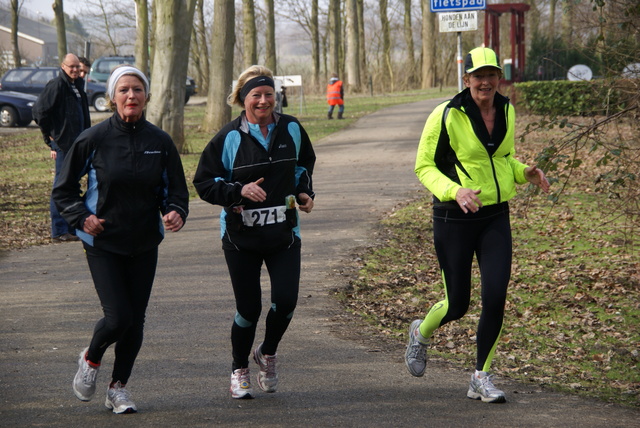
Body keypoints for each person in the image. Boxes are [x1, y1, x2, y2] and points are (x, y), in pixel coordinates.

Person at [404, 47, 550, 404]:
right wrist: (455, 191)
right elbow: (424, 167)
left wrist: (523, 173)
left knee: (495, 296)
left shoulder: (506, 109)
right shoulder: (446, 114)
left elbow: (501, 159)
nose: (485, 81)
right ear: (466, 79)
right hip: (454, 218)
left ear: (500, 77)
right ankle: (420, 334)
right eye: (478, 75)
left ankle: (480, 376)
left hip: (495, 217)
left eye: (491, 74)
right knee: (458, 304)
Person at [52, 65, 189, 414]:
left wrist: (175, 211)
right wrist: (83, 217)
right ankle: (91, 358)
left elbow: (176, 190)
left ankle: (119, 388)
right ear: (113, 97)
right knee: (118, 318)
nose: (131, 96)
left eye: (137, 90)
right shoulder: (93, 139)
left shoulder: (160, 141)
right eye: (124, 90)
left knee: (135, 321)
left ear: (146, 96)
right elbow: (63, 191)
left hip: (144, 242)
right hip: (103, 241)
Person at [193, 65, 316, 399]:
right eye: (256, 96)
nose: (263, 101)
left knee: (287, 301)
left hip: (284, 234)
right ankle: (239, 368)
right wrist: (238, 191)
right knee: (249, 309)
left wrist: (304, 192)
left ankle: (268, 352)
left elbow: (303, 164)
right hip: (240, 238)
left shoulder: (291, 128)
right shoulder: (228, 138)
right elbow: (204, 182)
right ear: (243, 99)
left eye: (268, 95)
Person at [32, 53, 91, 242]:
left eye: (78, 68)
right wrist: (50, 137)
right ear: (63, 67)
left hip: (78, 144)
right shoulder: (57, 85)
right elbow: (39, 111)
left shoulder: (76, 86)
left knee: (72, 186)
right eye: (71, 67)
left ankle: (72, 227)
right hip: (64, 144)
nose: (75, 70)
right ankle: (59, 230)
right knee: (61, 186)